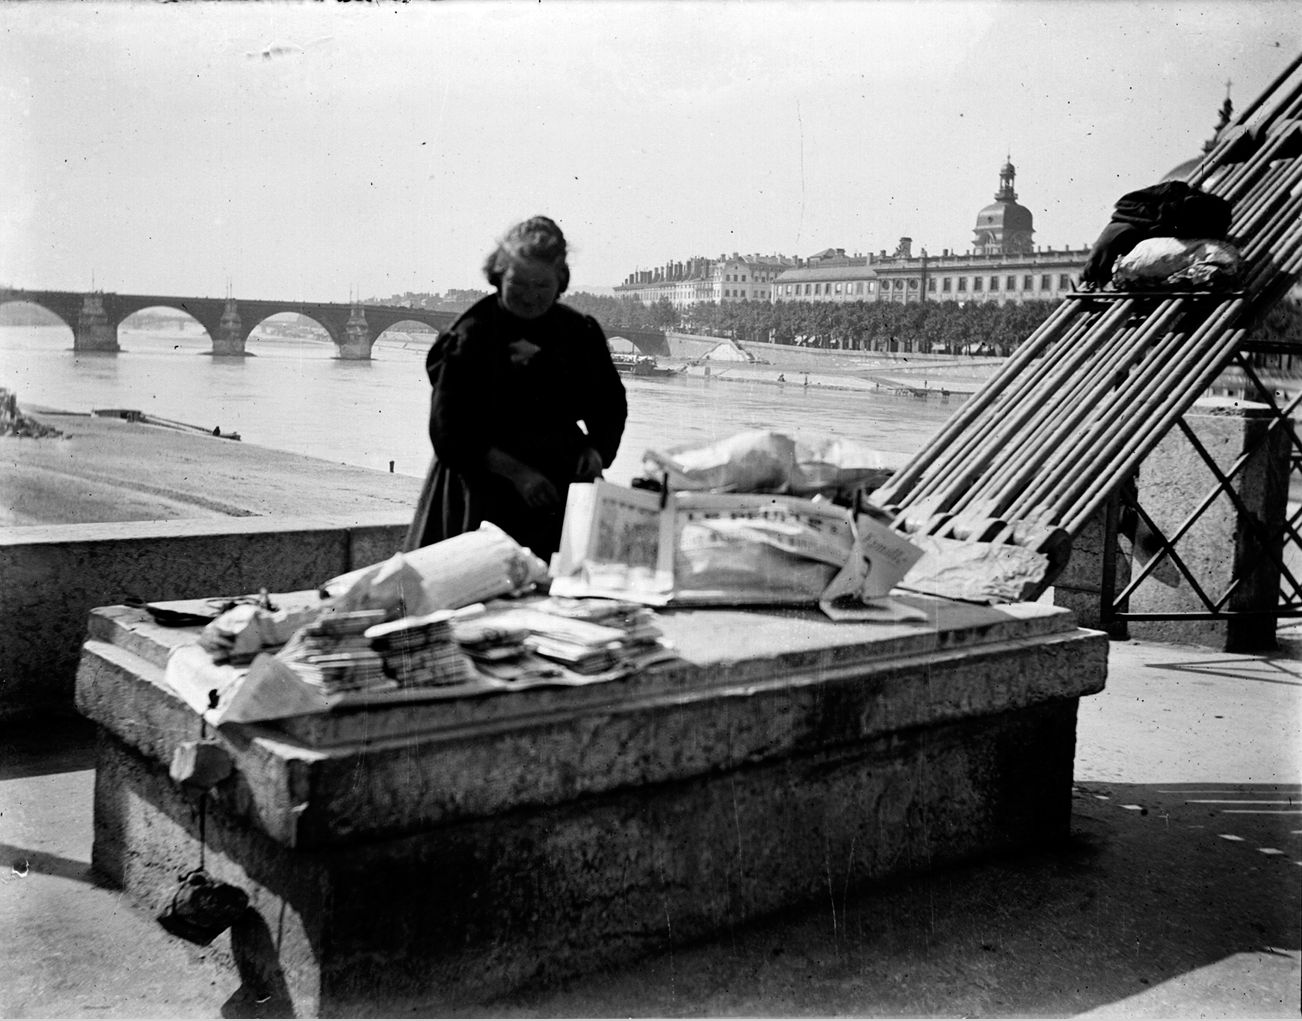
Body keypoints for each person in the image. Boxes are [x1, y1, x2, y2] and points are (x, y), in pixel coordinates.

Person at [405, 216, 627, 562]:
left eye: (542, 286)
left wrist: (597, 451)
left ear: (561, 282)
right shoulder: (469, 335)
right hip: (479, 488)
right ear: (498, 276)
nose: (529, 297)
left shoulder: (579, 332)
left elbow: (610, 404)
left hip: (555, 491)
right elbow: (448, 431)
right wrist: (517, 473)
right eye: (518, 284)